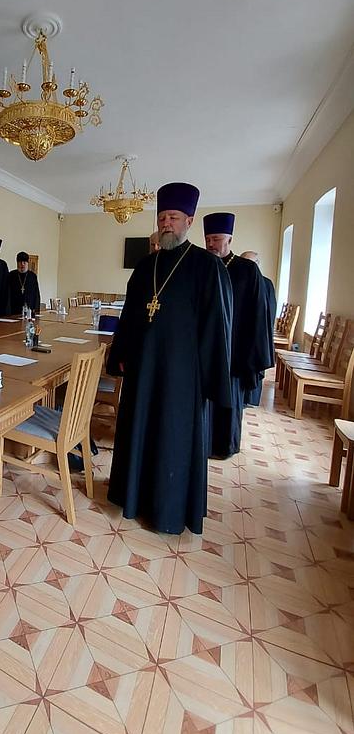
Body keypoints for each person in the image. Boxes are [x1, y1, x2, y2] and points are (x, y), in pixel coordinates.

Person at [106, 183, 232, 535]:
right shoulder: (145, 266)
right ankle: (132, 498)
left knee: (172, 441)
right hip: (143, 371)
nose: (166, 223)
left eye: (173, 217)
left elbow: (217, 327)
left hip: (181, 377)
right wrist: (121, 353)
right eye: (162, 217)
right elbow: (130, 315)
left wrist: (209, 377)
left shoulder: (207, 267)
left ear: (189, 221)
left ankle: (168, 511)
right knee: (138, 432)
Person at [204, 215, 273, 457]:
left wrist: (253, 354)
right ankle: (203, 444)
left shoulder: (247, 270)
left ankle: (226, 446)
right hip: (207, 349)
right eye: (208, 239)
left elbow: (258, 313)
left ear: (230, 239)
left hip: (235, 351)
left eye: (216, 239)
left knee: (230, 402)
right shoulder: (202, 266)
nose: (211, 244)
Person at [240, 250, 277, 406]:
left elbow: (270, 311)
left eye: (252, 263)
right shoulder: (236, 279)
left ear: (258, 265)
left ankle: (251, 399)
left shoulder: (266, 284)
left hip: (256, 333)